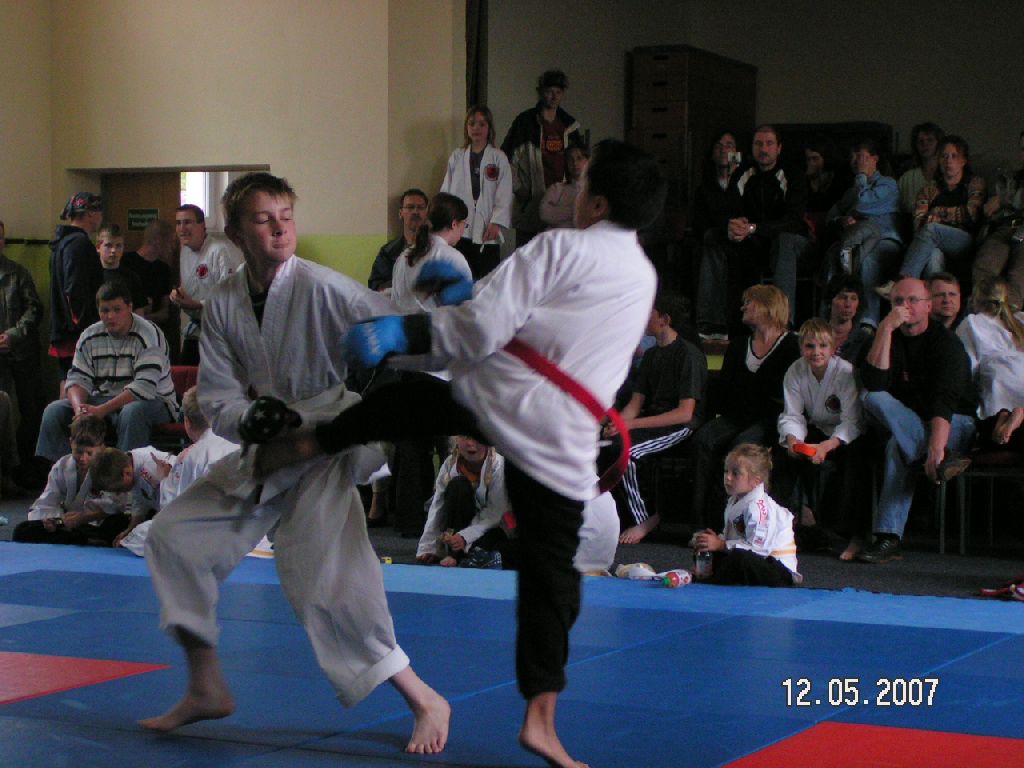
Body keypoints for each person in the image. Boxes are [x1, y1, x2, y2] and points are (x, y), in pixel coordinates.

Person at [256, 139, 665, 768]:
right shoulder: (643, 277)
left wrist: (406, 331)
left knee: (407, 403)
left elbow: (484, 329)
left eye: (582, 185)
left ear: (598, 202)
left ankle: (314, 440)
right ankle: (542, 722)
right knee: (552, 581)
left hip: (501, 397)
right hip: (562, 439)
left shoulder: (560, 246)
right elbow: (542, 326)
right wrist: (459, 299)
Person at [141, 172, 449, 754]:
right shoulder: (223, 301)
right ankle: (205, 685)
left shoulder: (324, 287)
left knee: (328, 580)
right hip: (267, 447)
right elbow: (218, 395)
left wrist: (453, 330)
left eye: (286, 215)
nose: (280, 228)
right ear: (236, 233)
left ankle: (424, 698)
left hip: (325, 441)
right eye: (264, 219)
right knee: (175, 537)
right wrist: (248, 419)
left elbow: (398, 331)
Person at [858, 278, 977, 563]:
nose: (905, 306)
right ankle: (890, 536)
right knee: (871, 397)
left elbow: (944, 402)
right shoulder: (888, 335)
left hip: (954, 422)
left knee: (896, 447)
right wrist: (885, 329)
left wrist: (936, 447)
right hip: (909, 423)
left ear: (928, 306)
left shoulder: (947, 344)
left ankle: (888, 537)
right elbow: (875, 382)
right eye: (898, 301)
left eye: (912, 300)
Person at [388, 193, 472, 538]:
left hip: (408, 362)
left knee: (411, 448)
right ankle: (453, 524)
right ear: (454, 224)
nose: (463, 232)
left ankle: (409, 523)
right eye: (463, 225)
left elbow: (396, 306)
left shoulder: (404, 258)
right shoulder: (452, 258)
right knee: (451, 447)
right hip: (440, 367)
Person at [690, 284, 799, 527]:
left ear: (767, 306)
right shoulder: (739, 345)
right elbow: (724, 389)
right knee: (703, 440)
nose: (743, 307)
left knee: (741, 448)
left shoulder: (792, 346)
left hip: (770, 420)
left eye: (749, 302)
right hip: (735, 416)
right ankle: (701, 523)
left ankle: (736, 522)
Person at [36, 280, 178, 462]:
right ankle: (62, 472)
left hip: (152, 401)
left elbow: (144, 387)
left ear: (130, 308)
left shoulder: (149, 334)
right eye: (105, 310)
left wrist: (101, 410)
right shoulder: (89, 336)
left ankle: (122, 471)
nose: (111, 316)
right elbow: (77, 378)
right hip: (102, 399)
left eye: (117, 310)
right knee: (54, 411)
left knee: (132, 412)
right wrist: (80, 410)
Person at [610, 292, 707, 544]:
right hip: (654, 421)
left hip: (680, 426)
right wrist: (618, 424)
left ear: (664, 319)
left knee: (630, 453)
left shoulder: (688, 355)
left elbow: (684, 413)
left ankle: (646, 518)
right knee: (608, 444)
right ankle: (616, 515)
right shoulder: (651, 355)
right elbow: (635, 403)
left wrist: (631, 424)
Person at [774, 319, 868, 561]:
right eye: (810, 346)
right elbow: (792, 414)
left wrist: (827, 446)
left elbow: (852, 420)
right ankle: (778, 528)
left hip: (846, 435)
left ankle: (855, 536)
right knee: (783, 458)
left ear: (833, 347)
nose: (816, 352)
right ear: (801, 348)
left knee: (855, 463)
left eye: (823, 346)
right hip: (816, 429)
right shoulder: (795, 370)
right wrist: (794, 441)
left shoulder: (845, 372)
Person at [721, 125, 809, 331]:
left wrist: (754, 228)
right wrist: (734, 226)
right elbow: (730, 208)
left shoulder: (792, 175)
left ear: (779, 148)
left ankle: (782, 322)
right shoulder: (743, 173)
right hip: (756, 239)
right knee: (722, 241)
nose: (763, 149)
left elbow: (793, 220)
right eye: (758, 144)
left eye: (769, 144)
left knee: (784, 241)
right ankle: (726, 324)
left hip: (795, 241)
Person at [879, 136, 985, 294]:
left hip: (963, 240)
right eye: (944, 156)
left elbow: (971, 214)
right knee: (933, 255)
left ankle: (902, 283)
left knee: (932, 229)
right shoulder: (928, 190)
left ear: (963, 160)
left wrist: (937, 213)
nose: (948, 161)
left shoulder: (974, 184)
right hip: (932, 240)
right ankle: (932, 302)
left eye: (954, 156)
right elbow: (918, 223)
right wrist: (937, 219)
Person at [691, 443, 800, 586]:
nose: (728, 478)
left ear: (756, 481)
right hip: (751, 559)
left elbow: (758, 550)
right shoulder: (734, 500)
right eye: (726, 471)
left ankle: (713, 581)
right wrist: (715, 540)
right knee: (705, 546)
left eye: (735, 473)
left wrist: (721, 545)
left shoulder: (759, 508)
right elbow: (734, 536)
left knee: (740, 558)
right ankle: (706, 573)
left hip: (777, 570)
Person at [500, 69, 583, 245]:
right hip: (530, 208)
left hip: (561, 210)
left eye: (558, 92)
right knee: (527, 256)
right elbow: (505, 160)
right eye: (549, 91)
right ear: (540, 92)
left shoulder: (570, 126)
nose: (554, 97)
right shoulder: (524, 123)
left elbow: (581, 162)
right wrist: (520, 189)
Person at [13, 415, 123, 545]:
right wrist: (50, 520)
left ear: (102, 447)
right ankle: (84, 540)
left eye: (89, 453)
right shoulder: (62, 465)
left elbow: (115, 506)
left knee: (116, 525)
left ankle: (84, 539)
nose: (83, 458)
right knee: (22, 530)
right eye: (78, 452)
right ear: (71, 443)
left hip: (95, 523)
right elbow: (48, 500)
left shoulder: (109, 466)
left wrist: (83, 518)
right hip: (68, 523)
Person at [441, 105, 513, 278]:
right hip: (459, 230)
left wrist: (496, 222)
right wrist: (446, 222)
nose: (476, 128)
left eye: (482, 124)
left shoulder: (498, 157)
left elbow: (505, 193)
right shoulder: (457, 157)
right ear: (466, 128)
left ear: (489, 128)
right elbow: (446, 193)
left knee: (486, 281)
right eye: (472, 123)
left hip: (487, 229)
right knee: (460, 278)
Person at [826, 139, 902, 297]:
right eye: (852, 158)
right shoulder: (851, 191)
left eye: (860, 156)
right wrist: (841, 220)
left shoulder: (888, 184)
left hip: (885, 241)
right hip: (855, 240)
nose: (855, 162)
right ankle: (831, 306)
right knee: (833, 256)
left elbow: (863, 204)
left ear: (874, 159)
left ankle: (867, 312)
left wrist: (861, 175)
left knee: (867, 257)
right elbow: (830, 216)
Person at [416, 435, 507, 566]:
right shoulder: (449, 464)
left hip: (491, 526)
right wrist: (429, 547)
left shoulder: (498, 466)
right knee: (458, 485)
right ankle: (454, 553)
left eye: (476, 438)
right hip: (459, 526)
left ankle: (466, 554)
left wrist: (465, 536)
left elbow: (494, 513)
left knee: (499, 543)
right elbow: (438, 507)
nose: (470, 443)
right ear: (456, 440)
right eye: (465, 437)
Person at [956, 276, 1024, 450]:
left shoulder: (971, 323)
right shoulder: (1020, 319)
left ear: (975, 298)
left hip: (998, 382)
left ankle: (1005, 416)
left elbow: (967, 368)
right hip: (1021, 375)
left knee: (996, 437)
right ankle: (1017, 414)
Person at [171, 204, 242, 364]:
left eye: (187, 222)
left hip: (222, 331)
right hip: (197, 328)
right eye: (178, 223)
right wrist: (178, 296)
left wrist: (198, 304)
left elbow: (231, 296)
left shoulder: (219, 251)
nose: (182, 228)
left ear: (202, 225)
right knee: (186, 372)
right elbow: (195, 287)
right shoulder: (185, 252)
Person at [0, 218, 46, 465]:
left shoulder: (17, 273)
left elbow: (34, 309)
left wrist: (13, 335)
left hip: (21, 354)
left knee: (31, 410)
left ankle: (26, 465)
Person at [693, 130, 742, 340]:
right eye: (719, 146)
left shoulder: (746, 182)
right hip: (717, 237)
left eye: (729, 145)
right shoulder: (704, 188)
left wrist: (735, 176)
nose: (724, 150)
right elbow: (700, 222)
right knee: (712, 249)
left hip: (744, 238)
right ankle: (709, 323)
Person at [49, 192, 104, 375]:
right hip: (76, 336)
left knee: (68, 380)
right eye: (99, 212)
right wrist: (86, 328)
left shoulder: (62, 244)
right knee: (77, 382)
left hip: (66, 331)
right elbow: (74, 290)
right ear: (90, 213)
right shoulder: (78, 245)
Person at [974, 132, 1024, 308]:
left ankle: (1009, 317)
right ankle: (984, 313)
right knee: (984, 266)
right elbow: (993, 209)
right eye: (1023, 149)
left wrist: (1003, 201)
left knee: (1018, 275)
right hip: (1006, 228)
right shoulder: (1013, 178)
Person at [89, 445, 174, 546]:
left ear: (127, 473)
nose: (119, 493)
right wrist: (130, 531)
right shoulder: (127, 463)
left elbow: (170, 509)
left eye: (119, 489)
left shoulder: (152, 469)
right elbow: (141, 500)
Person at [122, 219, 176, 344]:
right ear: (158, 241)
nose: (173, 247)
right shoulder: (125, 263)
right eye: (171, 242)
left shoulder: (164, 270)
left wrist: (143, 318)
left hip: (152, 337)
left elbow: (164, 312)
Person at [368, 189, 429, 294]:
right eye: (410, 207)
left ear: (427, 213)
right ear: (401, 213)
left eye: (420, 207)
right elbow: (375, 286)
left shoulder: (438, 248)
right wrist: (402, 283)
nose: (415, 212)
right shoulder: (388, 252)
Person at [97, 222, 149, 311]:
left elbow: (139, 312)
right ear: (98, 247)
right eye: (108, 245)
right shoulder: (90, 276)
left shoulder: (132, 278)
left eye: (118, 246)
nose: (113, 250)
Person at [822, 274, 873, 363]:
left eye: (853, 298)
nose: (848, 304)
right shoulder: (814, 335)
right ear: (830, 301)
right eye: (842, 298)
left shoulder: (864, 340)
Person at [539, 142, 588, 230]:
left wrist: (558, 210)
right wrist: (576, 210)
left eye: (579, 158)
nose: (574, 163)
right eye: (570, 159)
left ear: (588, 161)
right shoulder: (557, 188)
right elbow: (544, 213)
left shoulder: (594, 190)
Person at [897, 122, 943, 215]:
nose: (925, 144)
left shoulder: (948, 174)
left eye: (930, 140)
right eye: (920, 141)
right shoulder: (907, 178)